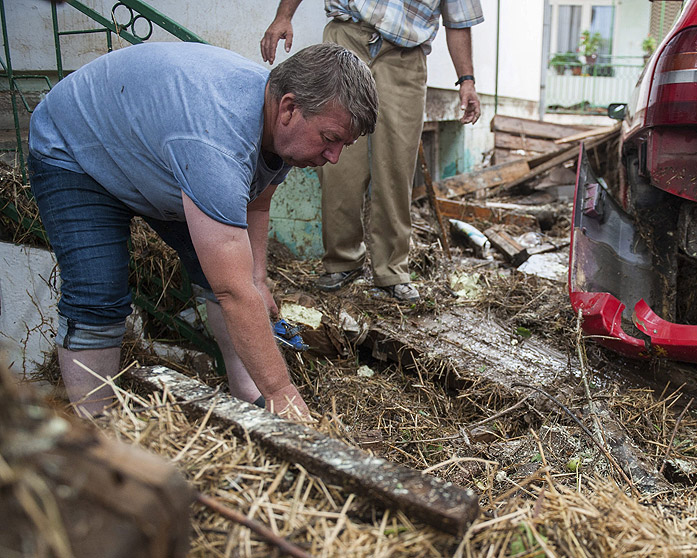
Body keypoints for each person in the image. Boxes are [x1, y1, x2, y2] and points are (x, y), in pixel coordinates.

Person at [27, 41, 378, 418]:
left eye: (344, 143)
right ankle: (96, 428)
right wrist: (281, 391)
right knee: (98, 289)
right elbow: (232, 291)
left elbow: (257, 201)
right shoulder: (217, 142)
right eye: (330, 139)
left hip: (153, 155)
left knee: (234, 273)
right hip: (76, 149)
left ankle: (247, 393)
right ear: (289, 108)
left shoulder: (280, 126)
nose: (334, 157)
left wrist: (258, 277)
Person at [261, 0, 484, 302]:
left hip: (405, 54)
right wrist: (283, 16)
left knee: (396, 165)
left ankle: (391, 271)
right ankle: (342, 261)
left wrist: (466, 80)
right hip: (347, 37)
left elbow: (459, 20)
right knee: (337, 161)